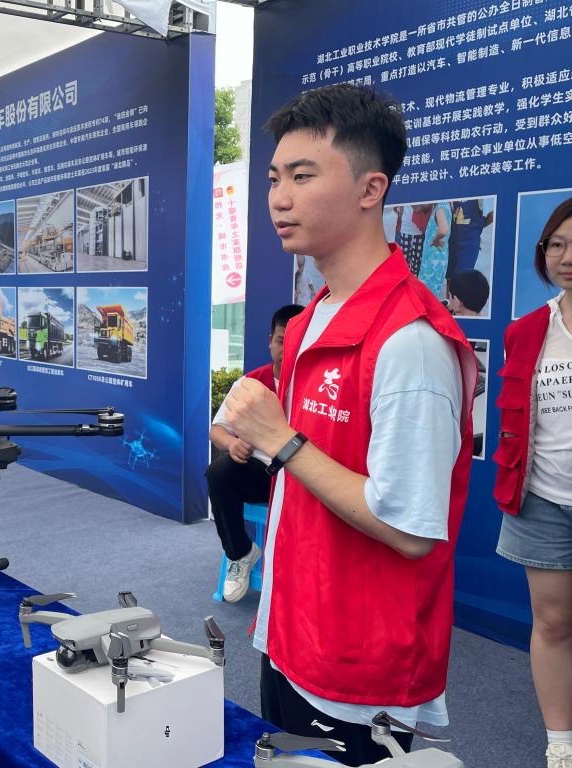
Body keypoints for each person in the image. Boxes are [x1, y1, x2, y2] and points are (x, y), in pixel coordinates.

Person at [224, 83, 477, 766]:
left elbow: (409, 529)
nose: (279, 198)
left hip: (358, 666)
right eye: (274, 178)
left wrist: (281, 441)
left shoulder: (411, 341)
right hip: (292, 631)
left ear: (371, 189)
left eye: (303, 176)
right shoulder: (312, 318)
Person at [493, 197, 572, 768]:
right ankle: (561, 739)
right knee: (553, 621)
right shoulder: (527, 330)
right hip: (543, 500)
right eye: (557, 245)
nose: (566, 257)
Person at [207, 303, 303, 602]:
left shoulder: (320, 387)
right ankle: (240, 553)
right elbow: (216, 430)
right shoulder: (250, 384)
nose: (285, 350)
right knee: (219, 472)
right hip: (261, 473)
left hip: (304, 476)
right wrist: (232, 444)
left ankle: (306, 580)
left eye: (295, 342)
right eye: (281, 341)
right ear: (270, 341)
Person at [448, 198, 493, 279]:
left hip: (468, 247)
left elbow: (492, 215)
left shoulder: (481, 197)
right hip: (452, 243)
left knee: (462, 278)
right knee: (449, 277)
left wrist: (477, 228)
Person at [417, 201, 451, 299]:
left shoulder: (440, 208)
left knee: (425, 293)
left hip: (433, 261)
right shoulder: (445, 206)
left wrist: (435, 240)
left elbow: (443, 230)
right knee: (432, 292)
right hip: (439, 258)